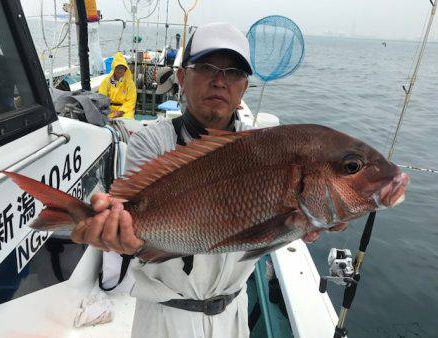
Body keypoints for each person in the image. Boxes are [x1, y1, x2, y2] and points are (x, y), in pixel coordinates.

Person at [71, 22, 321, 338]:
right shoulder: (152, 142)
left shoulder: (262, 149)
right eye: (206, 67)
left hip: (233, 314)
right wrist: (119, 237)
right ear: (181, 78)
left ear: (244, 88)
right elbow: (131, 221)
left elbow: (269, 223)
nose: (219, 81)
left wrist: (307, 221)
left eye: (233, 73)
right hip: (164, 318)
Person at [99, 51, 137, 119]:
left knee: (127, 121)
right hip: (109, 109)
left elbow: (131, 101)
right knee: (104, 120)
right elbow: (102, 98)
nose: (120, 70)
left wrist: (120, 112)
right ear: (113, 68)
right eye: (118, 67)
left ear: (125, 69)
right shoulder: (106, 82)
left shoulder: (130, 83)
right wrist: (107, 110)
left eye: (122, 68)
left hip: (125, 110)